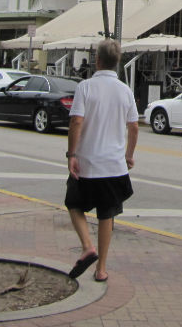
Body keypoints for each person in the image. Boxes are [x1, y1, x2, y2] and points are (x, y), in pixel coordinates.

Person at [64, 38, 138, 282]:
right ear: (118, 63)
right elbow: (134, 127)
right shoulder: (125, 91)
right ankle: (102, 269)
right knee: (107, 215)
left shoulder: (85, 87)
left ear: (97, 60)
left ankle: (87, 246)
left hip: (87, 163)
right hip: (114, 166)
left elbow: (76, 122)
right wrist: (128, 155)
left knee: (74, 203)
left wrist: (72, 154)